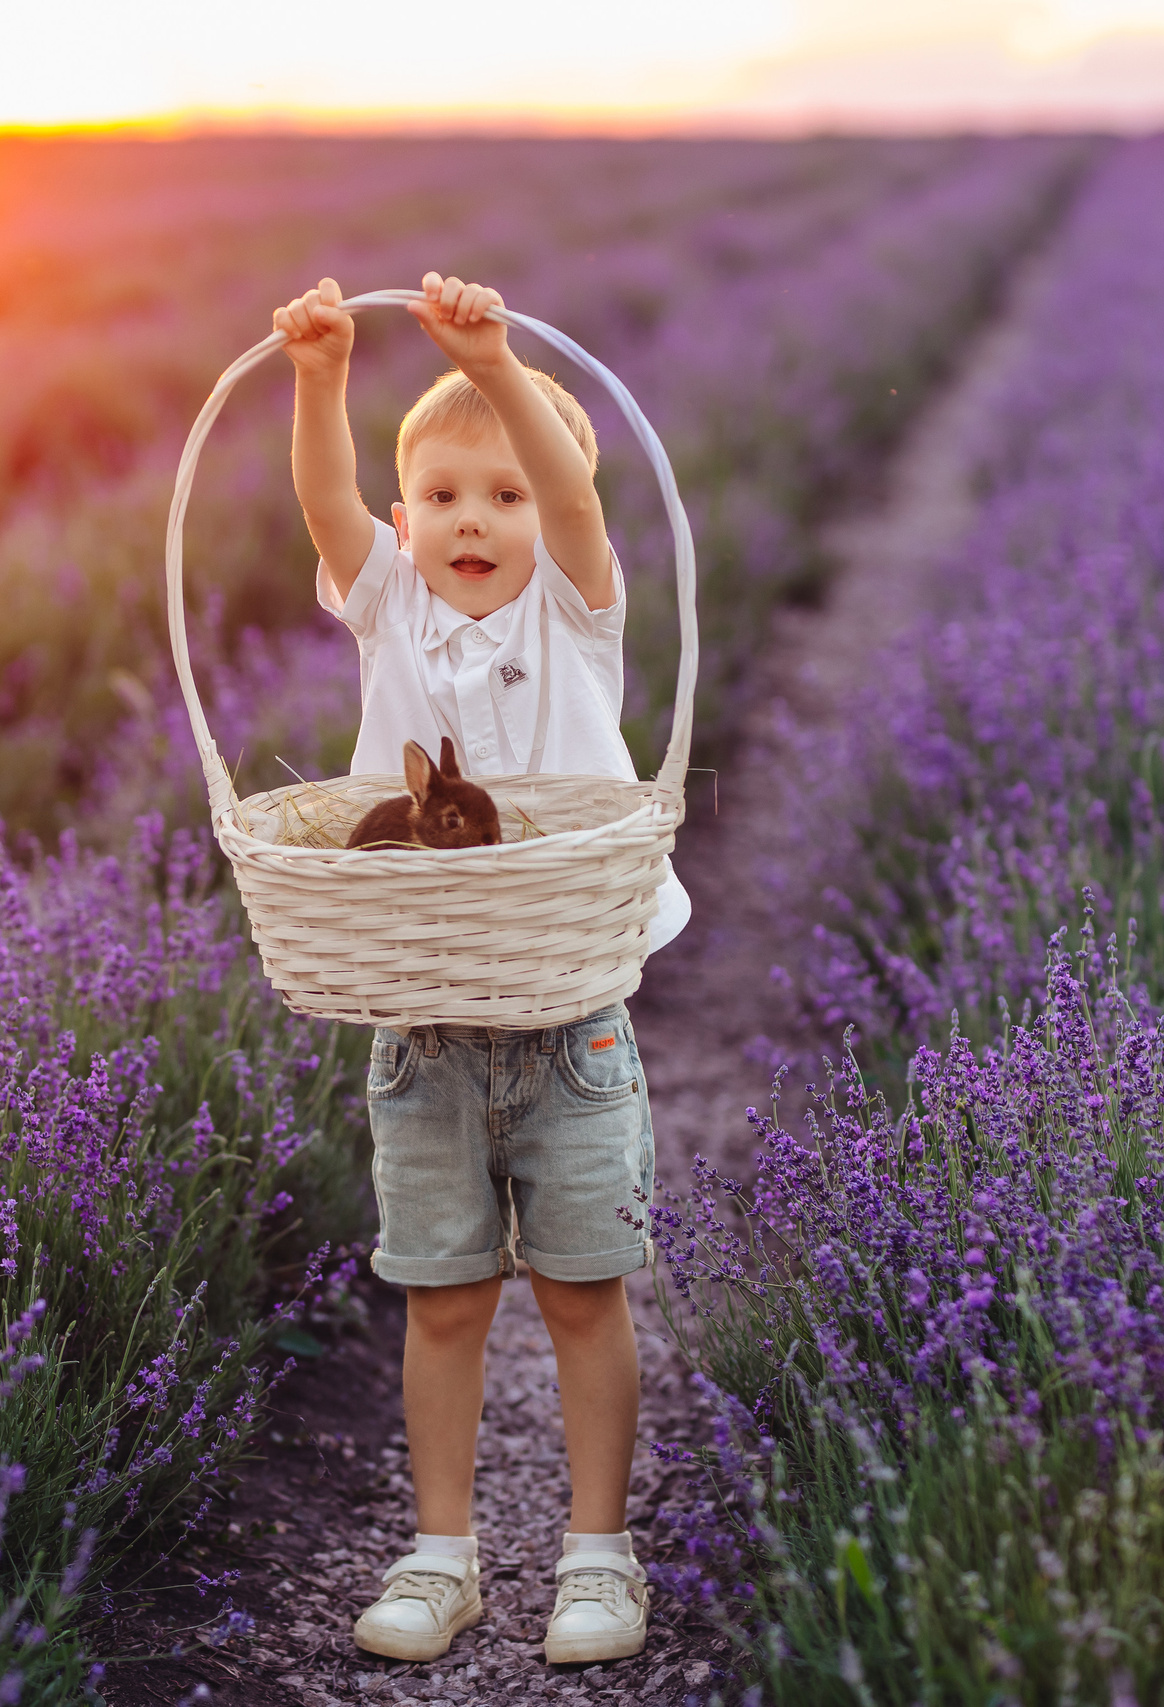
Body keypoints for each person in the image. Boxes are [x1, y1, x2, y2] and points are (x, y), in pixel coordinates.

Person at [272, 272, 688, 1667]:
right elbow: (328, 507)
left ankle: (598, 1555)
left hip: (571, 1019)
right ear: (407, 523)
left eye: (505, 496)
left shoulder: (573, 610)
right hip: (424, 1018)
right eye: (446, 494)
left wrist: (500, 369)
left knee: (583, 1293)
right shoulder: (389, 605)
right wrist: (323, 375)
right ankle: (441, 1553)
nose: (476, 521)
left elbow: (578, 500)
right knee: (442, 1298)